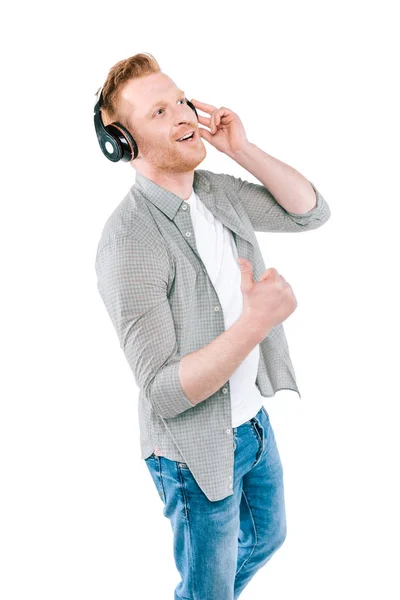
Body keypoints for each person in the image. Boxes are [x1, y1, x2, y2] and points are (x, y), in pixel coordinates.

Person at [94, 52, 331, 599]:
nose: (181, 114)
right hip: (193, 451)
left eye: (180, 99)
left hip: (251, 424)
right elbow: (162, 391)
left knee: (267, 540)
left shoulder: (216, 193)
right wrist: (255, 324)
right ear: (122, 142)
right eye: (158, 111)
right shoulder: (129, 242)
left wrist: (241, 150)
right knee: (209, 589)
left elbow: (310, 212)